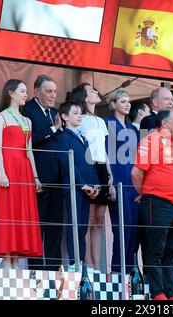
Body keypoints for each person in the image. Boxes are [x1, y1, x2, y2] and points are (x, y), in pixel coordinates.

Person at [132, 109, 173, 300]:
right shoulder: (151, 140)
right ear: (164, 123)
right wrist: (145, 193)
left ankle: (171, 292)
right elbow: (136, 173)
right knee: (156, 249)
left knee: (171, 250)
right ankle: (157, 292)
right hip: (157, 201)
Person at [0, 79, 43, 269]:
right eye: (22, 90)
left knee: (22, 213)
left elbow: (30, 151)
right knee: (7, 211)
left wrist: (36, 176)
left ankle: (16, 258)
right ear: (10, 93)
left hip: (24, 170)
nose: (25, 94)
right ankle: (6, 258)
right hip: (8, 168)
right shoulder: (0, 117)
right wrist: (2, 173)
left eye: (26, 91)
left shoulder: (27, 120)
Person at [68, 83, 115, 271]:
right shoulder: (82, 120)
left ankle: (97, 265)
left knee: (100, 217)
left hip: (102, 166)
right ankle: (86, 262)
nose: (97, 92)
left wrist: (109, 172)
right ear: (85, 98)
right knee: (87, 216)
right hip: (88, 165)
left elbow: (104, 149)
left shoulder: (101, 121)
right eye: (92, 91)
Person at [23, 75, 63, 271]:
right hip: (38, 176)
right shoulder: (27, 109)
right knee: (37, 226)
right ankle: (36, 269)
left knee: (56, 226)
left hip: (58, 178)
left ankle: (54, 269)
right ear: (36, 91)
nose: (52, 95)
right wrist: (53, 128)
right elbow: (31, 140)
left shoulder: (56, 112)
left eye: (55, 92)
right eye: (48, 91)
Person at [57, 101, 100, 268]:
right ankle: (75, 261)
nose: (79, 116)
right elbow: (68, 164)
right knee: (74, 224)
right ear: (65, 117)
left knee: (82, 226)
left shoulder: (83, 137)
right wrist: (83, 185)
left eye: (80, 113)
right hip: (74, 187)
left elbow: (90, 163)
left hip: (87, 188)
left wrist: (95, 185)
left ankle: (81, 260)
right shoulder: (63, 137)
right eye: (75, 113)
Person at [105, 89, 139, 273]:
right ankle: (118, 271)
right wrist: (110, 182)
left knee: (133, 227)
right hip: (118, 180)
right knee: (121, 227)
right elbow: (108, 156)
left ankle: (130, 270)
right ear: (114, 104)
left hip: (133, 183)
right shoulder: (108, 124)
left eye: (128, 101)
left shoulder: (132, 128)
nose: (127, 104)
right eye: (123, 101)